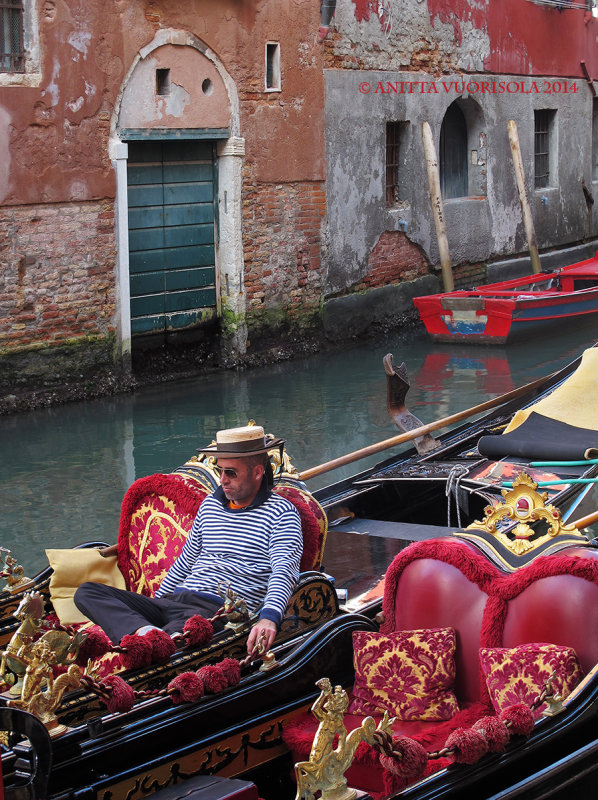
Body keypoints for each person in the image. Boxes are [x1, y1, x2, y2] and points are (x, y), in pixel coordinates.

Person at [74, 425, 303, 654]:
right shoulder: (211, 506)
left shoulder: (282, 514)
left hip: (215, 611)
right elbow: (185, 562)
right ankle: (147, 633)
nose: (222, 480)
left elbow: (284, 571)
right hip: (176, 600)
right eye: (220, 470)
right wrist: (157, 603)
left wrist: (269, 618)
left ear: (257, 472)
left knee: (174, 641)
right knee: (87, 592)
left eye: (231, 473)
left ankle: (156, 640)